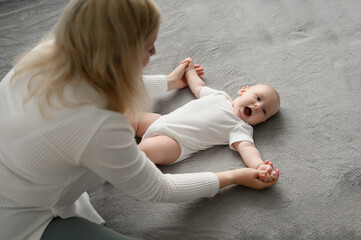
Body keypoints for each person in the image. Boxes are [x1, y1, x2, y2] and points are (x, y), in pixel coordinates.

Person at [0, 0, 279, 239]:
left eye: (263, 110)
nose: (154, 53)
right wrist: (234, 176)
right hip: (21, 218)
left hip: (24, 179)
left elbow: (102, 81)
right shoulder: (100, 125)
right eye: (148, 46)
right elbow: (157, 187)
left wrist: (167, 82)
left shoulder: (43, 55)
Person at [131, 57, 280, 183]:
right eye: (258, 98)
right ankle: (111, 130)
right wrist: (190, 71)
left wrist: (259, 165)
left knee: (145, 149)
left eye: (264, 111)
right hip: (162, 120)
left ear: (261, 122)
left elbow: (248, 149)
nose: (258, 106)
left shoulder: (241, 128)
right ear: (243, 90)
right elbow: (198, 87)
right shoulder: (219, 96)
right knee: (131, 118)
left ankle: (121, 159)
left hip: (175, 143)